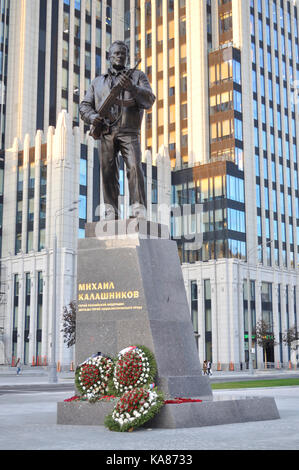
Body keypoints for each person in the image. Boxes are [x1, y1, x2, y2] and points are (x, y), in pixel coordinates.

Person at [79, 40, 156, 220]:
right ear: (109, 56)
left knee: (135, 167)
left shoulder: (137, 76)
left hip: (129, 131)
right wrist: (92, 117)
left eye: (123, 53)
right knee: (108, 172)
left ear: (126, 56)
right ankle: (111, 211)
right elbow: (84, 106)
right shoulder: (97, 82)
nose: (119, 56)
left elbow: (149, 100)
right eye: (116, 53)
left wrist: (132, 87)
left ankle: (138, 209)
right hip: (106, 132)